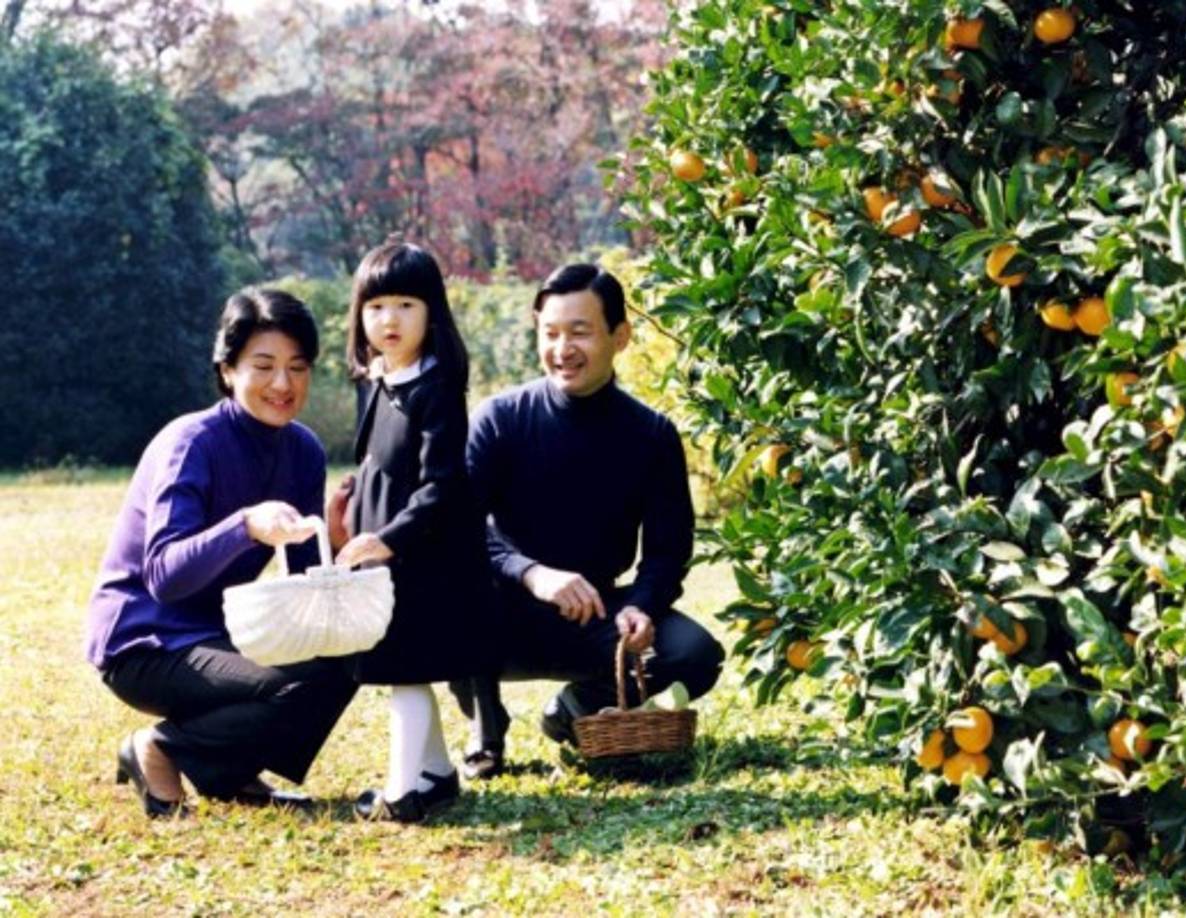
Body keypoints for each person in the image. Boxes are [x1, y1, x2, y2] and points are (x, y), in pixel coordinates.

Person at [85, 288, 359, 817]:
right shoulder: (191, 442)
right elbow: (164, 575)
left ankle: (227, 773)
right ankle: (160, 749)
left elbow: (305, 583)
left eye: (298, 367)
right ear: (228, 369)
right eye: (264, 366)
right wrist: (245, 526)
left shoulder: (304, 450)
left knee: (343, 658)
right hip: (144, 642)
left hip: (219, 634)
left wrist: (335, 543)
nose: (283, 384)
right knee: (300, 677)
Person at [451, 263, 725, 778]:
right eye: (550, 333)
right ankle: (485, 731)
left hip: (596, 616)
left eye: (579, 332)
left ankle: (576, 709)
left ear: (620, 337)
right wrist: (533, 573)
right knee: (450, 595)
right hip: (498, 614)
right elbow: (459, 528)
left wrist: (642, 606)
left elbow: (668, 551)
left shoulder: (651, 435)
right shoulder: (500, 419)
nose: (563, 349)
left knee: (694, 653)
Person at [328, 238, 497, 823]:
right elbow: (374, 465)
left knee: (405, 671)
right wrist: (351, 510)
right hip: (386, 552)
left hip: (427, 556)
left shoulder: (437, 388)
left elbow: (442, 485)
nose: (389, 319)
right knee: (403, 667)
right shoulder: (376, 380)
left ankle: (402, 793)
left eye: (405, 305)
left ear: (431, 313)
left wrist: (389, 539)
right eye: (376, 307)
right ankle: (437, 775)